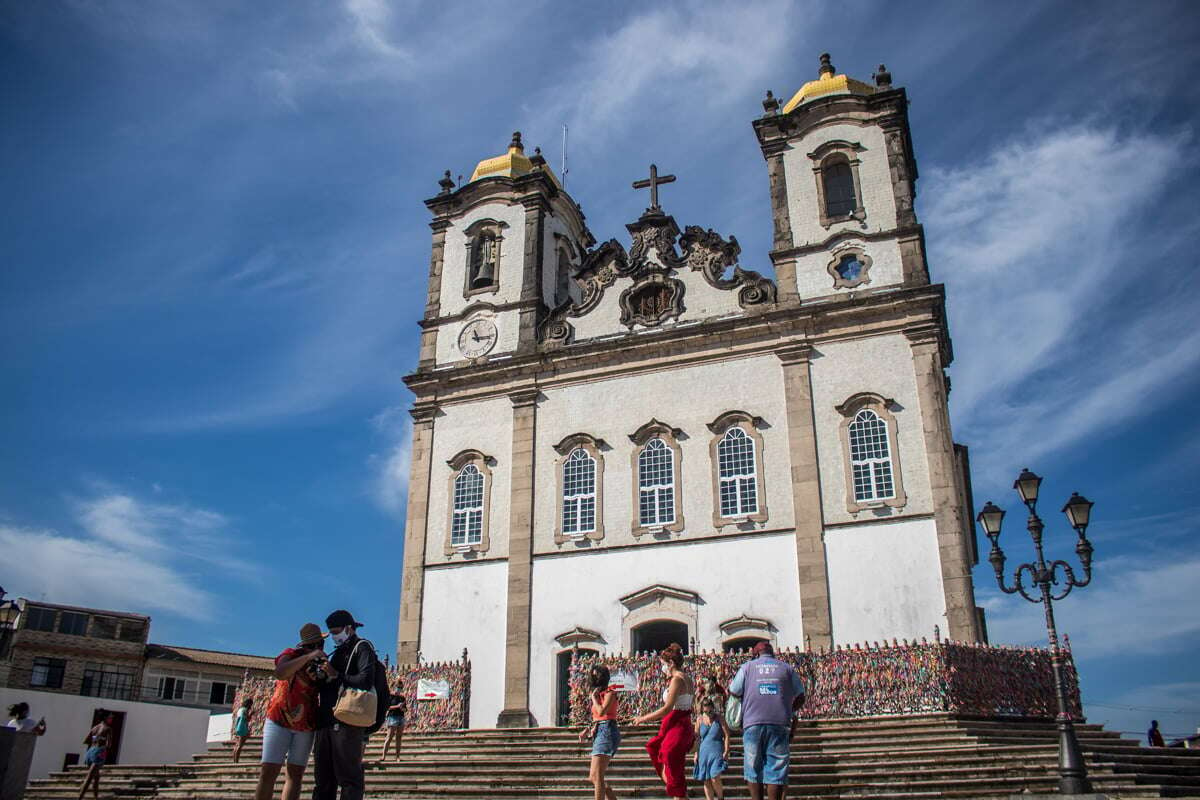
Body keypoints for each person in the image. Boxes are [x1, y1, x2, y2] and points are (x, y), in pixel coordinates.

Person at [255, 623, 327, 800]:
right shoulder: (290, 654)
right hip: (279, 719)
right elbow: (280, 672)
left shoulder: (321, 663)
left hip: (306, 724)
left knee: (295, 774)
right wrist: (308, 656)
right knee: (269, 771)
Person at [313, 609, 379, 800]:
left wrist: (336, 674)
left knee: (349, 778)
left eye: (336, 631)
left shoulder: (362, 647)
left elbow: (366, 680)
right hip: (325, 720)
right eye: (331, 632)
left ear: (349, 628)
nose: (333, 636)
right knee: (323, 779)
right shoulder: (338, 652)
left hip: (346, 721)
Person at [728, 642, 805, 800]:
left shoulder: (747, 667)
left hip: (752, 723)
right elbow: (801, 696)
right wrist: (789, 710)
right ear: (773, 653)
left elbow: (734, 691)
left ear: (756, 654)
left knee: (752, 767)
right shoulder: (786, 668)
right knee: (776, 769)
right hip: (779, 723)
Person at [633, 643, 695, 800]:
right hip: (681, 725)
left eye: (663, 665)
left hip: (677, 726)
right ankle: (678, 792)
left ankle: (678, 792)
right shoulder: (687, 678)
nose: (662, 668)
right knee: (673, 767)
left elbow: (667, 708)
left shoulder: (677, 680)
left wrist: (642, 718)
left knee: (668, 760)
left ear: (671, 663)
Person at [578, 664, 620, 800]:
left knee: (597, 776)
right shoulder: (598, 693)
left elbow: (603, 711)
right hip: (599, 730)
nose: (594, 677)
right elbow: (597, 716)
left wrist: (594, 699)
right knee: (593, 777)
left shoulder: (610, 692)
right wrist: (587, 729)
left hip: (607, 730)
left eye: (597, 675)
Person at [692, 696, 730, 800]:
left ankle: (720, 797)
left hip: (716, 751)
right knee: (706, 779)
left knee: (715, 777)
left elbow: (727, 735)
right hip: (704, 752)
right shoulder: (699, 720)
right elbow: (697, 738)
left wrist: (726, 750)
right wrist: (696, 753)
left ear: (713, 708)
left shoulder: (720, 719)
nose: (708, 713)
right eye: (706, 711)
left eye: (710, 711)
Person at [77, 711, 114, 800]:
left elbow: (86, 740)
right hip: (99, 751)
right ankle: (80, 797)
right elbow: (108, 744)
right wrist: (102, 742)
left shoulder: (94, 728)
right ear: (105, 718)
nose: (111, 719)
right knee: (90, 777)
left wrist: (97, 738)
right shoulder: (108, 729)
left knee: (96, 777)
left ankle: (95, 797)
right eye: (110, 717)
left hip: (90, 751)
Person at [379, 693, 407, 763]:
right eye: (398, 687)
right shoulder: (391, 697)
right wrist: (397, 706)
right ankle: (383, 756)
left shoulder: (402, 698)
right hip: (392, 717)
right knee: (389, 736)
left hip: (401, 717)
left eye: (401, 687)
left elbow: (405, 709)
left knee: (399, 737)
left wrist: (402, 708)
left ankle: (397, 756)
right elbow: (387, 707)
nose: (399, 689)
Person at [233, 697, 253, 763]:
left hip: (238, 728)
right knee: (240, 745)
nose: (251, 706)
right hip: (243, 728)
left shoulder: (240, 709)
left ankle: (235, 761)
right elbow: (247, 719)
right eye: (251, 704)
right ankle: (236, 761)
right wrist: (251, 714)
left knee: (237, 745)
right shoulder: (245, 710)